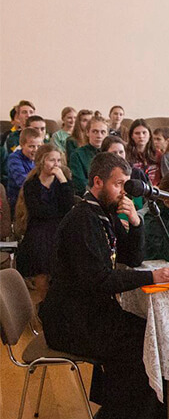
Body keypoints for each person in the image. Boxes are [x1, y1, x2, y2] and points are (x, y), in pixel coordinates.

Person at [39, 152, 169, 419]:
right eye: (118, 184)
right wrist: (151, 278)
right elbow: (99, 280)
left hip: (90, 312)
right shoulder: (82, 219)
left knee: (151, 335)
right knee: (142, 344)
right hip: (70, 320)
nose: (123, 190)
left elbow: (132, 258)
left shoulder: (101, 212)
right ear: (97, 182)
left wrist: (135, 221)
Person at [14, 144, 75, 300]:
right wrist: (58, 211)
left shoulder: (64, 183)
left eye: (58, 160)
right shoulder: (31, 185)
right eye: (51, 160)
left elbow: (68, 207)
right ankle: (43, 298)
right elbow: (38, 211)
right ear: (42, 162)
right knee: (41, 246)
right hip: (38, 227)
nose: (56, 164)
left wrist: (62, 180)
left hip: (60, 226)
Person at [7, 127, 42, 216]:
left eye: (39, 146)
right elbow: (22, 182)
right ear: (22, 145)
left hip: (36, 196)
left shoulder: (39, 158)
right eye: (31, 146)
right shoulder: (14, 158)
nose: (36, 150)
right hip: (18, 199)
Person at [70, 115, 109, 195]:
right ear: (87, 132)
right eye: (95, 131)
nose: (99, 136)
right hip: (89, 195)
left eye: (103, 132)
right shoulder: (77, 154)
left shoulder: (112, 153)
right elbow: (80, 183)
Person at [125, 119, 160, 185]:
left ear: (149, 135)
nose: (141, 136)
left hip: (156, 190)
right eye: (137, 133)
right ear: (131, 136)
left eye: (144, 133)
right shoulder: (125, 154)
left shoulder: (158, 155)